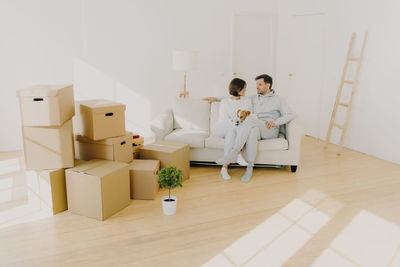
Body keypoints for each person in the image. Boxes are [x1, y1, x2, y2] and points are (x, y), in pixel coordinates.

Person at [215, 74, 294, 183]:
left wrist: (275, 123)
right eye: (256, 84)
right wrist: (216, 99)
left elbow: (290, 115)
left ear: (268, 85)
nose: (256, 87)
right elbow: (234, 97)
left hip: (269, 129)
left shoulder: (279, 99)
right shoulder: (253, 97)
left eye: (259, 84)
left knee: (248, 119)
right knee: (252, 132)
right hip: (255, 127)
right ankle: (249, 168)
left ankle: (234, 152)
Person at [204, 78, 252, 180]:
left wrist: (237, 121)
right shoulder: (225, 102)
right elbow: (224, 120)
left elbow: (246, 117)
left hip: (233, 128)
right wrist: (236, 120)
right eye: (244, 88)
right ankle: (238, 153)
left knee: (231, 133)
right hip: (221, 128)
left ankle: (224, 168)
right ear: (238, 89)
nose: (245, 90)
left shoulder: (247, 101)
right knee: (234, 128)